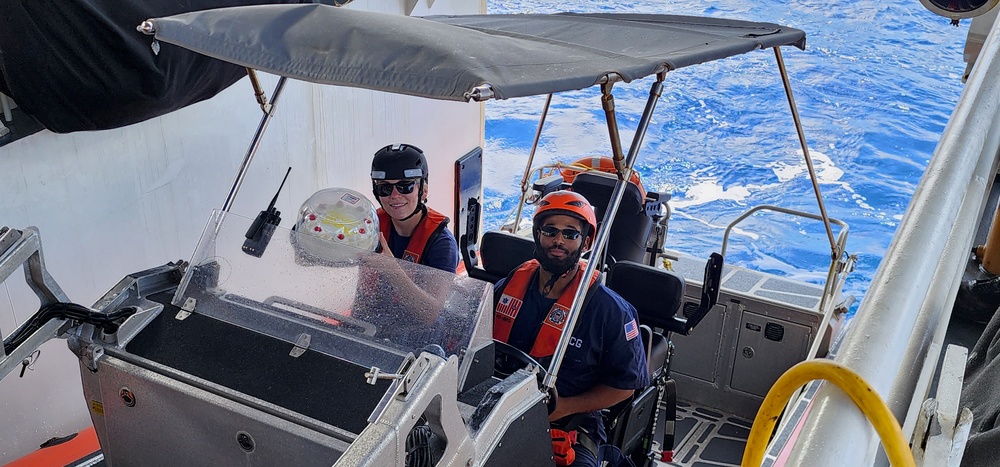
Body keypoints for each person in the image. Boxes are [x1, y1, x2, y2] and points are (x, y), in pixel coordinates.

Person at [493, 191, 649, 467]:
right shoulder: (509, 287)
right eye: (550, 231)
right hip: (497, 407)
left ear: (586, 242)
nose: (558, 241)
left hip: (570, 423)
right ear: (537, 234)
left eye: (570, 234)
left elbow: (625, 386)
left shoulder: (611, 311)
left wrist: (566, 406)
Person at [370, 143, 459, 273]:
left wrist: (391, 269)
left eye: (405, 186)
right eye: (385, 188)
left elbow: (437, 294)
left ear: (424, 191)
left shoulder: (442, 244)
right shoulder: (370, 227)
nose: (395, 195)